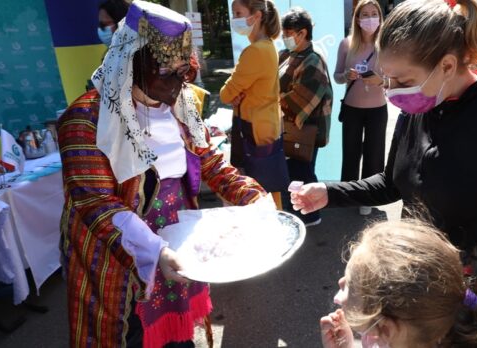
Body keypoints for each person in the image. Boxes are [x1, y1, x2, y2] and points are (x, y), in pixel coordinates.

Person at [293, 0, 477, 339]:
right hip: (417, 305)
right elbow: (392, 183)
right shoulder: (419, 108)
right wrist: (329, 192)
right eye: (387, 77)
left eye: (402, 79)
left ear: (448, 65)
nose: (389, 89)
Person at [57, 2, 268, 346]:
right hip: (118, 262)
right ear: (135, 63)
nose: (179, 83)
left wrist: (253, 198)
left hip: (178, 249)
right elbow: (97, 203)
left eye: (184, 71)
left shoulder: (181, 104)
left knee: (177, 338)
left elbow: (209, 159)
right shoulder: (86, 120)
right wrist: (154, 251)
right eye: (167, 72)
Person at [320, 220, 477, 348]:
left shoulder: (388, 335)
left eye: (350, 285)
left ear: (386, 329)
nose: (341, 282)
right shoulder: (397, 334)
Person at [221, 0, 286, 209]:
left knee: (258, 190)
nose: (235, 19)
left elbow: (225, 93)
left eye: (238, 13)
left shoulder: (256, 51)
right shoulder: (267, 46)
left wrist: (236, 93)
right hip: (265, 124)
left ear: (256, 16)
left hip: (254, 128)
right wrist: (238, 93)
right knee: (269, 186)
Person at [278, 7, 333, 226]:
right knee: (295, 173)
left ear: (302, 33)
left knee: (302, 173)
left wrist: (270, 99)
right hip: (289, 127)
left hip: (306, 130)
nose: (285, 38)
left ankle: (311, 216)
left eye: (288, 33)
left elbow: (299, 101)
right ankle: (301, 212)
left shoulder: (313, 61)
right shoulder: (287, 54)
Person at [333, 0, 388, 216]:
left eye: (374, 13)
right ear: (357, 18)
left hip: (378, 109)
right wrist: (346, 75)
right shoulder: (346, 44)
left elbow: (395, 79)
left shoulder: (387, 45)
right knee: (351, 153)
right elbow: (337, 76)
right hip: (352, 108)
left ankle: (368, 197)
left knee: (374, 154)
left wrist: (381, 81)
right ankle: (348, 194)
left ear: (380, 18)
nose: (370, 18)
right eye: (365, 14)